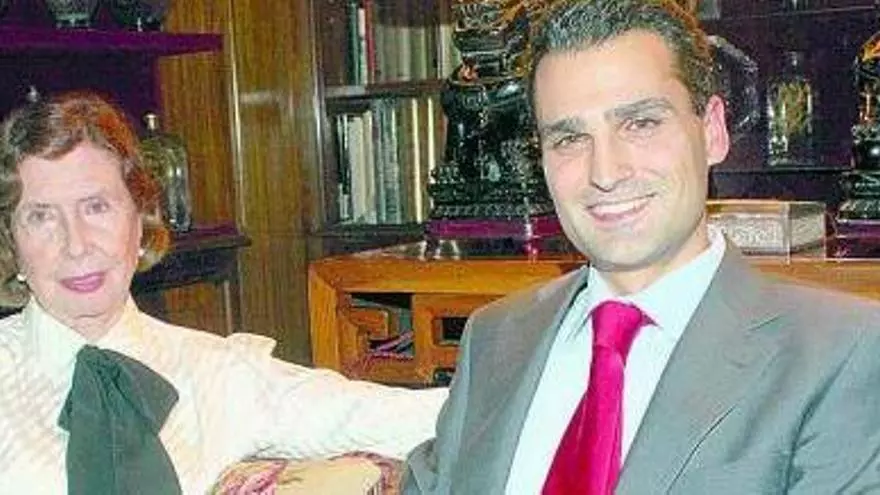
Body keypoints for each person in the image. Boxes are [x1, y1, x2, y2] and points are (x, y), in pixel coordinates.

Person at [402, 0, 880, 493]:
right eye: (569, 139)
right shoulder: (494, 338)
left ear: (712, 131)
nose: (605, 173)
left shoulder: (840, 354)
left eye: (640, 123)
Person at [0, 91, 447, 494]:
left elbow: (406, 418)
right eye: (41, 216)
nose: (76, 245)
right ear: (12, 242)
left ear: (140, 223)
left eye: (96, 207)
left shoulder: (219, 374)